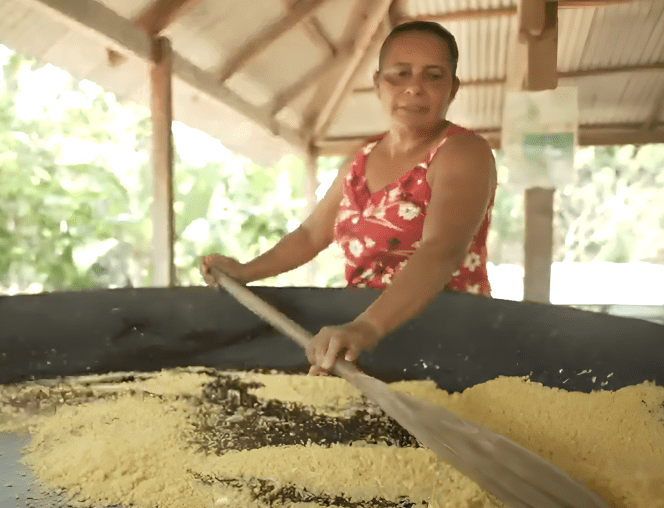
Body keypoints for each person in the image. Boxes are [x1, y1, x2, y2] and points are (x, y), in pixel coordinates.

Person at [202, 21, 496, 374]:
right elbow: (311, 235)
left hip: (445, 339)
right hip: (365, 341)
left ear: (453, 88)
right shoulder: (360, 160)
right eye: (399, 74)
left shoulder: (463, 153)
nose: (414, 88)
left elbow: (441, 249)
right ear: (377, 84)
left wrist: (368, 327)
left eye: (433, 76)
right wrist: (246, 271)